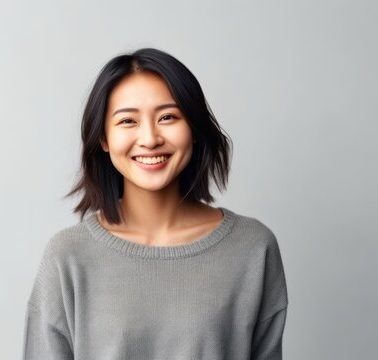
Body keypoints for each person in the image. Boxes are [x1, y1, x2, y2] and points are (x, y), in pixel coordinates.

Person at [22, 48, 288, 359]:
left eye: (167, 117)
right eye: (127, 121)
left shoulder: (252, 248)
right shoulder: (67, 256)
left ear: (194, 130)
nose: (149, 138)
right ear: (103, 139)